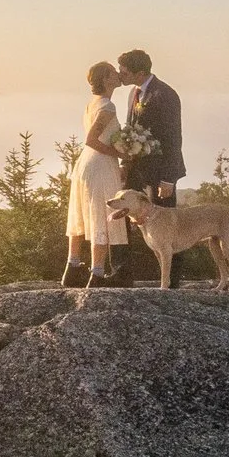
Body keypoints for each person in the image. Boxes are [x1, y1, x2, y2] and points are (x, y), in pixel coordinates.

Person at [62, 62, 126, 286]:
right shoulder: (108, 106)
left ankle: (72, 267)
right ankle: (97, 273)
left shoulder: (92, 104)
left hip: (84, 163)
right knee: (100, 215)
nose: (118, 75)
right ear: (106, 79)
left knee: (81, 214)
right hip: (99, 164)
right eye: (113, 72)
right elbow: (92, 139)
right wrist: (121, 155)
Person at [115, 48, 185, 208]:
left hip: (159, 172)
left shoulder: (165, 94)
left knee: (162, 222)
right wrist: (125, 164)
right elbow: (130, 128)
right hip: (137, 170)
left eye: (124, 73)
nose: (120, 75)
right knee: (129, 215)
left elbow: (173, 138)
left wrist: (168, 179)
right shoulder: (134, 92)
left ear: (140, 74)